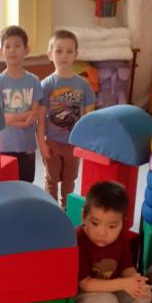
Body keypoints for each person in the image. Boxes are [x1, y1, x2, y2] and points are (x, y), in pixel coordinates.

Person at [76, 181, 152, 303]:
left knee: (143, 295)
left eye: (112, 226)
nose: (102, 232)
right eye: (95, 223)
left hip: (112, 288)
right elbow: (85, 284)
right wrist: (124, 283)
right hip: (82, 295)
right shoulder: (78, 240)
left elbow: (127, 268)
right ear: (84, 216)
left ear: (122, 223)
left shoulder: (119, 239)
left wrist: (136, 281)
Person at [37, 29, 95, 209]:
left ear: (76, 54)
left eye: (69, 51)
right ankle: (51, 208)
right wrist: (41, 143)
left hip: (74, 143)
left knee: (70, 180)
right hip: (52, 142)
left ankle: (67, 208)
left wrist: (87, 142)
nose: (64, 55)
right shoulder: (46, 85)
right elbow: (40, 117)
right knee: (51, 179)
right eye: (59, 51)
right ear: (50, 54)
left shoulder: (83, 84)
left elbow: (90, 117)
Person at [0, 25, 43, 182]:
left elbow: (35, 113)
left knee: (26, 182)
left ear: (26, 50)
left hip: (27, 145)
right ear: (1, 51)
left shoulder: (34, 81)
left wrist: (13, 118)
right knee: (6, 185)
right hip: (5, 145)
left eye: (17, 46)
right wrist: (24, 121)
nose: (12, 50)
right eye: (7, 46)